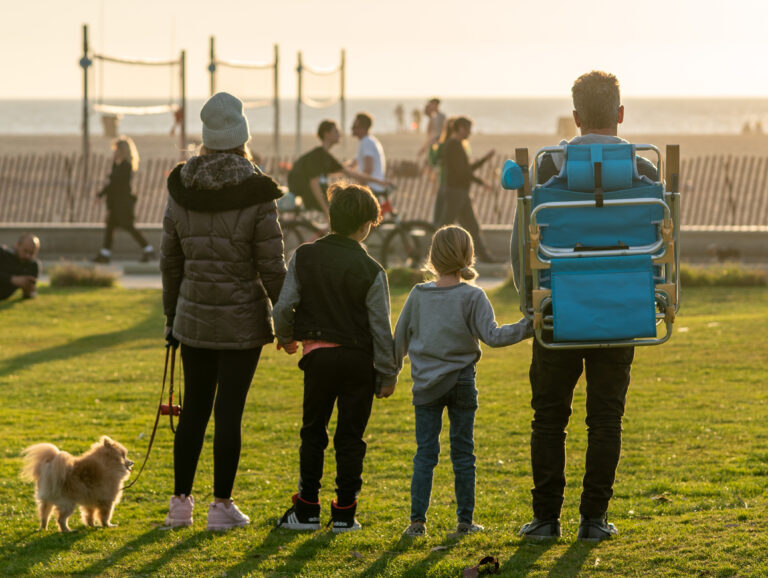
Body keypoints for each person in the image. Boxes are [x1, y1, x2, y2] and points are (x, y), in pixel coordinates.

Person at [512, 71, 658, 543]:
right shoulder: (647, 172)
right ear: (620, 114)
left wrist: (527, 302)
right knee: (606, 419)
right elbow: (660, 247)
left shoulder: (547, 169)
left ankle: (545, 520)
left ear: (575, 117)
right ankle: (593, 520)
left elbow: (522, 247)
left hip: (557, 309)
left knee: (549, 417)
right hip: (622, 308)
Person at [160, 92, 286, 531]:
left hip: (192, 318)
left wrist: (170, 317)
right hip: (242, 321)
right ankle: (221, 506)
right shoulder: (257, 190)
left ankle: (179, 504)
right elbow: (272, 266)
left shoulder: (181, 186)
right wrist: (288, 321)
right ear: (242, 138)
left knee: (194, 407)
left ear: (205, 139)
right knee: (229, 411)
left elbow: (169, 259)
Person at [273, 182, 398, 533]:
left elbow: (283, 306)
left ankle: (307, 508)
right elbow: (380, 328)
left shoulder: (305, 255)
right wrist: (387, 374)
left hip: (318, 359)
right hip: (359, 362)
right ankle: (344, 512)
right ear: (365, 226)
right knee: (350, 438)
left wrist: (286, 337)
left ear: (331, 218)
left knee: (313, 431)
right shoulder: (373, 271)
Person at [394, 226, 532, 538]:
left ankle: (417, 523)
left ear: (432, 256)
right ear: (468, 256)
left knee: (425, 454)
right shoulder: (474, 296)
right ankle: (465, 522)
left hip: (425, 387)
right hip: (462, 383)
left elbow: (398, 342)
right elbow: (494, 337)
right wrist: (528, 326)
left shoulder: (416, 296)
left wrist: (389, 377)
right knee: (463, 454)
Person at [288, 120, 391, 218]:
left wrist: (379, 181)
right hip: (307, 192)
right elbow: (314, 184)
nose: (339, 134)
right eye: (336, 131)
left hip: (318, 192)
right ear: (326, 134)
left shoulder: (326, 156)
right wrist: (326, 211)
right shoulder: (317, 155)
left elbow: (349, 172)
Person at [436, 116, 496, 262]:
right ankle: (438, 256)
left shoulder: (456, 145)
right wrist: (482, 182)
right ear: (461, 128)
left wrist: (484, 160)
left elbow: (466, 170)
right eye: (468, 129)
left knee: (472, 226)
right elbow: (463, 172)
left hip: (460, 192)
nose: (470, 132)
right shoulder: (453, 145)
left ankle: (484, 256)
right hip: (455, 192)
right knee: (446, 226)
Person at [93, 136, 155, 264]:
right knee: (110, 228)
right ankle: (105, 254)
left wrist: (100, 195)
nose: (114, 152)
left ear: (122, 150)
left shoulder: (126, 166)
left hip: (123, 204)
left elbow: (113, 183)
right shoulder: (119, 165)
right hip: (116, 204)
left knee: (129, 227)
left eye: (116, 150)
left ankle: (148, 250)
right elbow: (111, 182)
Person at [349, 113, 388, 197]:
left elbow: (368, 169)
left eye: (355, 127)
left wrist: (357, 186)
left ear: (363, 128)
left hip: (371, 188)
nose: (352, 128)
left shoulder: (367, 142)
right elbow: (352, 164)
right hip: (374, 187)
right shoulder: (367, 141)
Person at [428, 117, 457, 224]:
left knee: (440, 217)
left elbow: (433, 161)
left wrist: (431, 147)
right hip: (454, 185)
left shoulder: (444, 145)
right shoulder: (459, 145)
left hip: (445, 184)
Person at [0, 234, 41, 301]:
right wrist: (12, 279)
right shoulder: (2, 254)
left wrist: (29, 290)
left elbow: (30, 294)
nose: (27, 256)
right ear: (17, 245)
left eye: (31, 253)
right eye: (25, 251)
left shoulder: (33, 266)